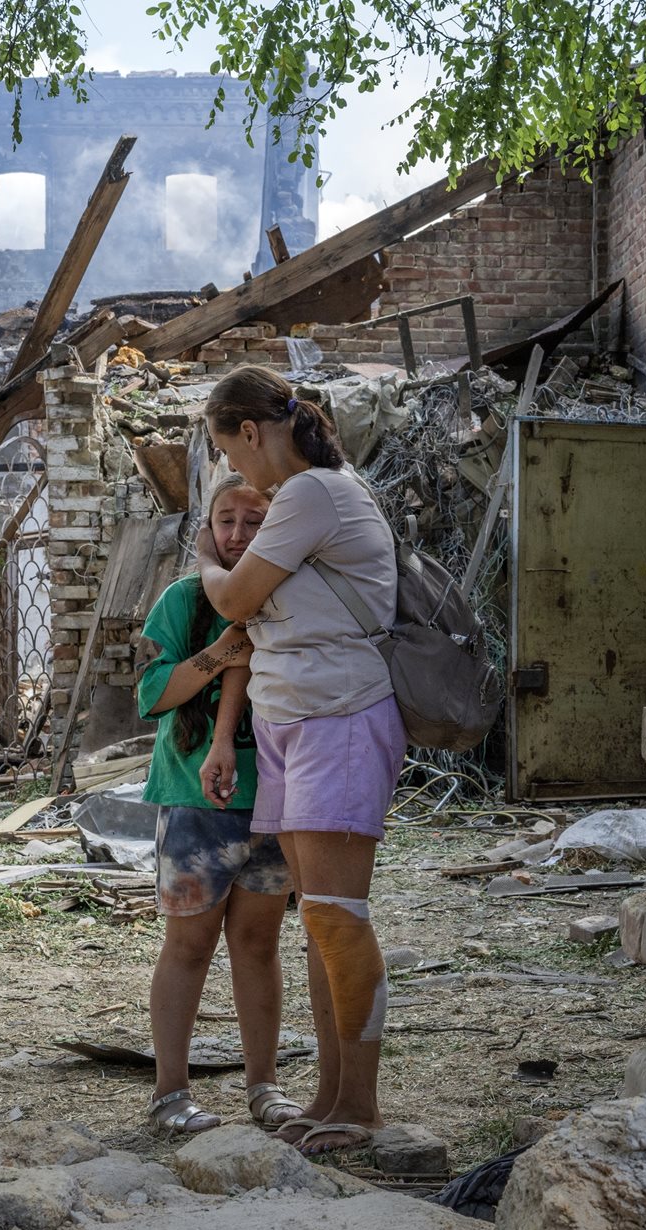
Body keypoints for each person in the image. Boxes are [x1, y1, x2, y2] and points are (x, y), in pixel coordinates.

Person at [192, 366, 402, 1156]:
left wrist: (206, 559)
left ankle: (361, 1105)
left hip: (336, 717)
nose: (233, 469)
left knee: (338, 920)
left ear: (251, 431)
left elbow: (234, 599)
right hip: (296, 718)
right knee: (318, 922)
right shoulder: (301, 497)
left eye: (230, 452)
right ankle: (330, 1095)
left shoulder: (315, 493)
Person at [135, 473, 305, 1136]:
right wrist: (217, 654)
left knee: (259, 944)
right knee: (189, 946)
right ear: (207, 529)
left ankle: (264, 1087)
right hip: (193, 801)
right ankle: (170, 1095)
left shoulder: (293, 599)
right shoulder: (182, 600)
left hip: (275, 800)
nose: (238, 534)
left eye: (254, 521)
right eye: (226, 521)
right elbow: (153, 694)